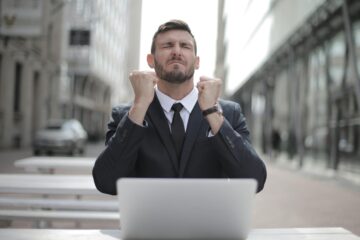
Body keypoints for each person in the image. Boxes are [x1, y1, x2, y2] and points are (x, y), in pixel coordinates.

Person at [92, 19, 266, 195]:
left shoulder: (228, 113)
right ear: (150, 60)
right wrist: (140, 104)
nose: (176, 51)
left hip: (209, 222)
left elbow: (254, 180)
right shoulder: (127, 115)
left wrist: (212, 112)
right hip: (149, 222)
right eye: (167, 45)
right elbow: (106, 181)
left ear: (197, 62)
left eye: (185, 46)